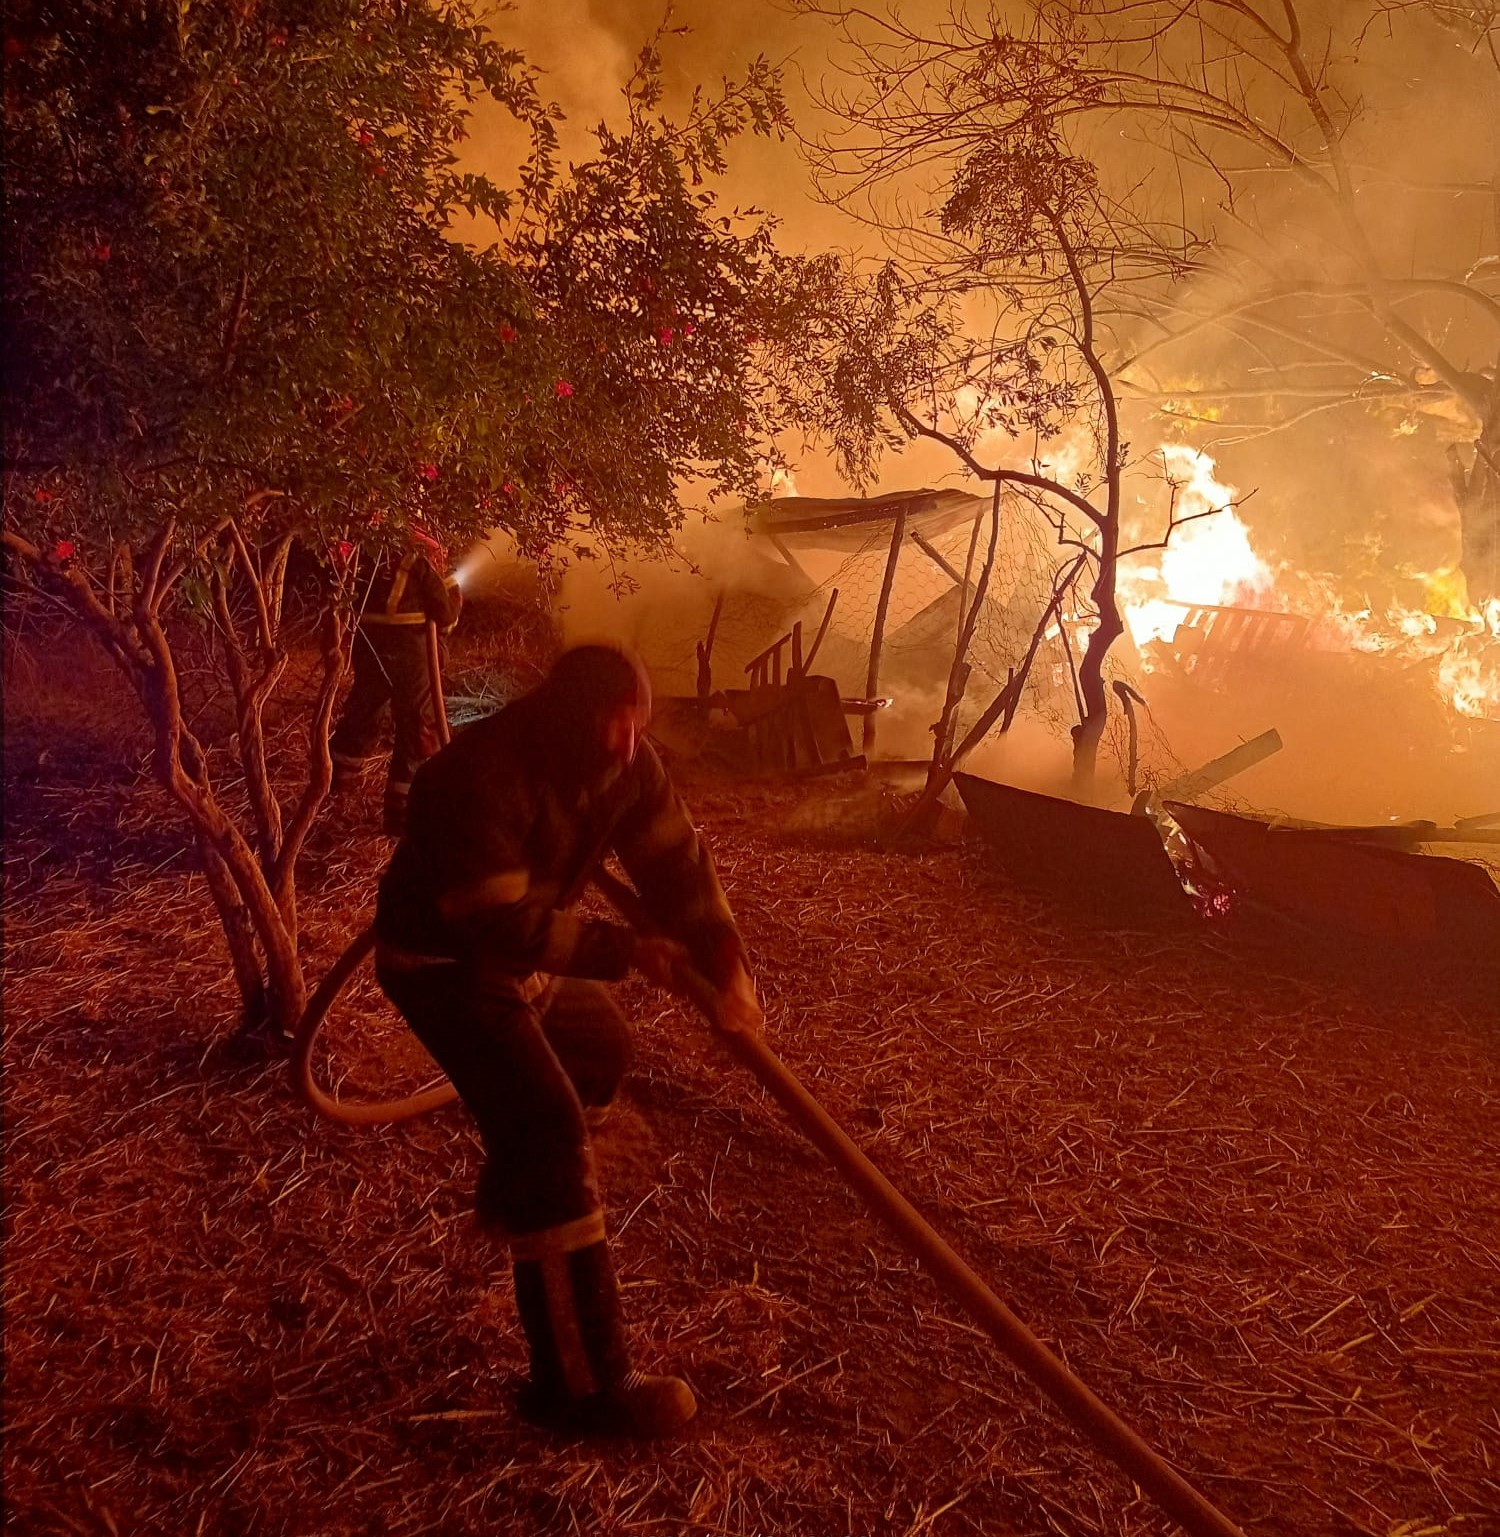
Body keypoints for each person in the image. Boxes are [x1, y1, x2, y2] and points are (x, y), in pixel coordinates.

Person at [373, 644, 762, 1438]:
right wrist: (626, 951)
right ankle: (580, 1387)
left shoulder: (625, 763)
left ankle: (528, 1181)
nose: (630, 742)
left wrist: (725, 959)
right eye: (615, 723)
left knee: (599, 1050)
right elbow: (493, 925)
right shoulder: (480, 775)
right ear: (568, 715)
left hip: (519, 966)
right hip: (447, 966)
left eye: (639, 724)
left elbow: (676, 861)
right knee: (548, 1126)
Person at [331, 532, 460, 835]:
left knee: (363, 713)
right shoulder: (421, 555)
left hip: (369, 646)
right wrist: (451, 586)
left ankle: (336, 788)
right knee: (415, 728)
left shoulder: (368, 548)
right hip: (411, 651)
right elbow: (445, 614)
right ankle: (399, 816)